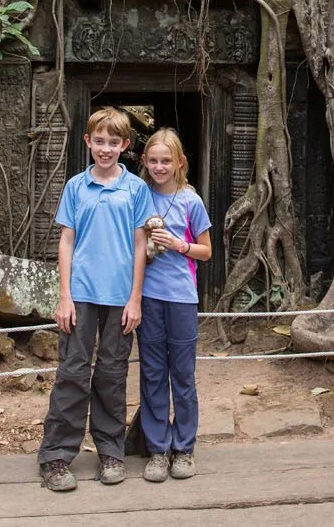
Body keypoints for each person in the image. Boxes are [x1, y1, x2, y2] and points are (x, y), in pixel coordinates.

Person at [37, 106, 151, 492]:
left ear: (125, 145)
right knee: (72, 372)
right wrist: (64, 296)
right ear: (87, 142)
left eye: (113, 142)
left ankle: (111, 451)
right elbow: (66, 241)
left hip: (120, 295)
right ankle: (56, 456)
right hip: (81, 293)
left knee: (112, 374)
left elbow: (141, 245)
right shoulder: (75, 186)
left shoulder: (136, 189)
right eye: (98, 141)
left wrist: (135, 298)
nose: (105, 149)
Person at [136, 128, 212, 482]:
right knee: (151, 372)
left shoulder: (189, 201)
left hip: (181, 297)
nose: (159, 167)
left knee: (182, 375)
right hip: (148, 296)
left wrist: (178, 245)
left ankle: (184, 448)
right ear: (144, 162)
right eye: (153, 160)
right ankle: (157, 449)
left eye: (166, 161)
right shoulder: (138, 195)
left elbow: (206, 251)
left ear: (180, 162)